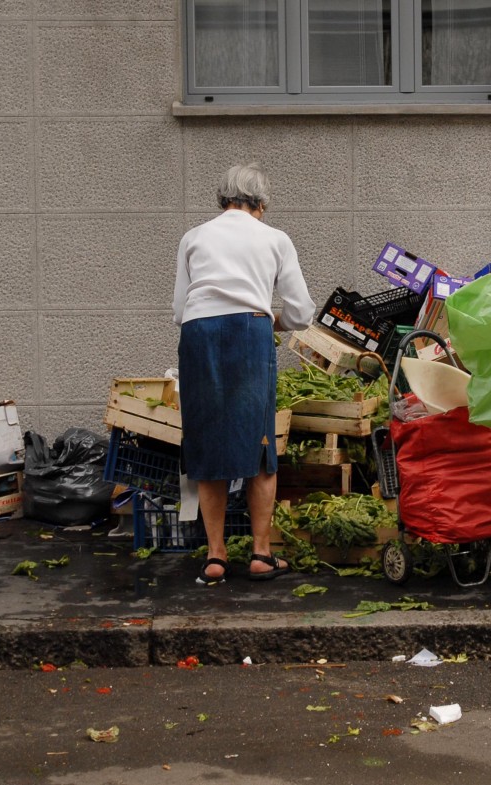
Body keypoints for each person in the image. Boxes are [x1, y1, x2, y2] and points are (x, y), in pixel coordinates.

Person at [173, 163, 315, 585]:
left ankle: (215, 557)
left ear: (223, 198)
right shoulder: (274, 239)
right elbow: (302, 311)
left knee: (207, 443)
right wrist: (276, 323)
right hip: (251, 330)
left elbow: (180, 310)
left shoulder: (194, 237)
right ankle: (260, 553)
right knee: (260, 445)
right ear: (262, 203)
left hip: (199, 335)